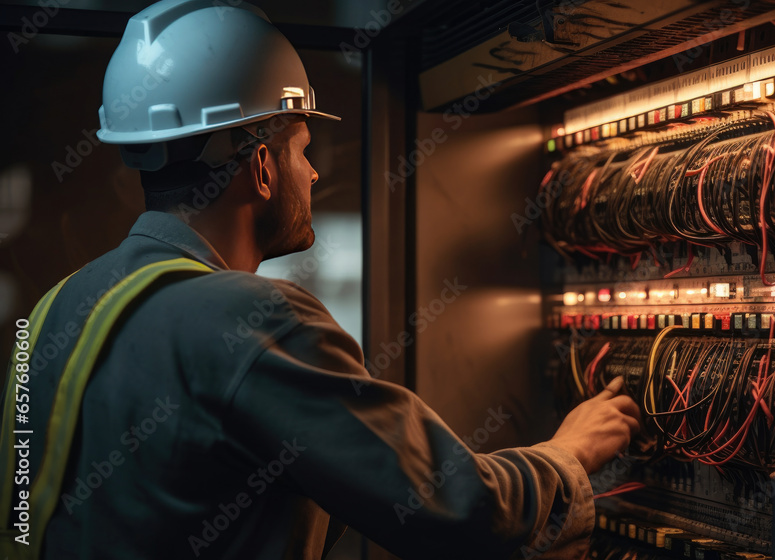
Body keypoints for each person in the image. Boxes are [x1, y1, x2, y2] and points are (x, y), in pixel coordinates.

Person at [0, 1, 642, 559]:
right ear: (259, 167)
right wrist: (568, 455)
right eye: (302, 150)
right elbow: (456, 509)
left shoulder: (57, 310)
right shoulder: (249, 320)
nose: (312, 175)